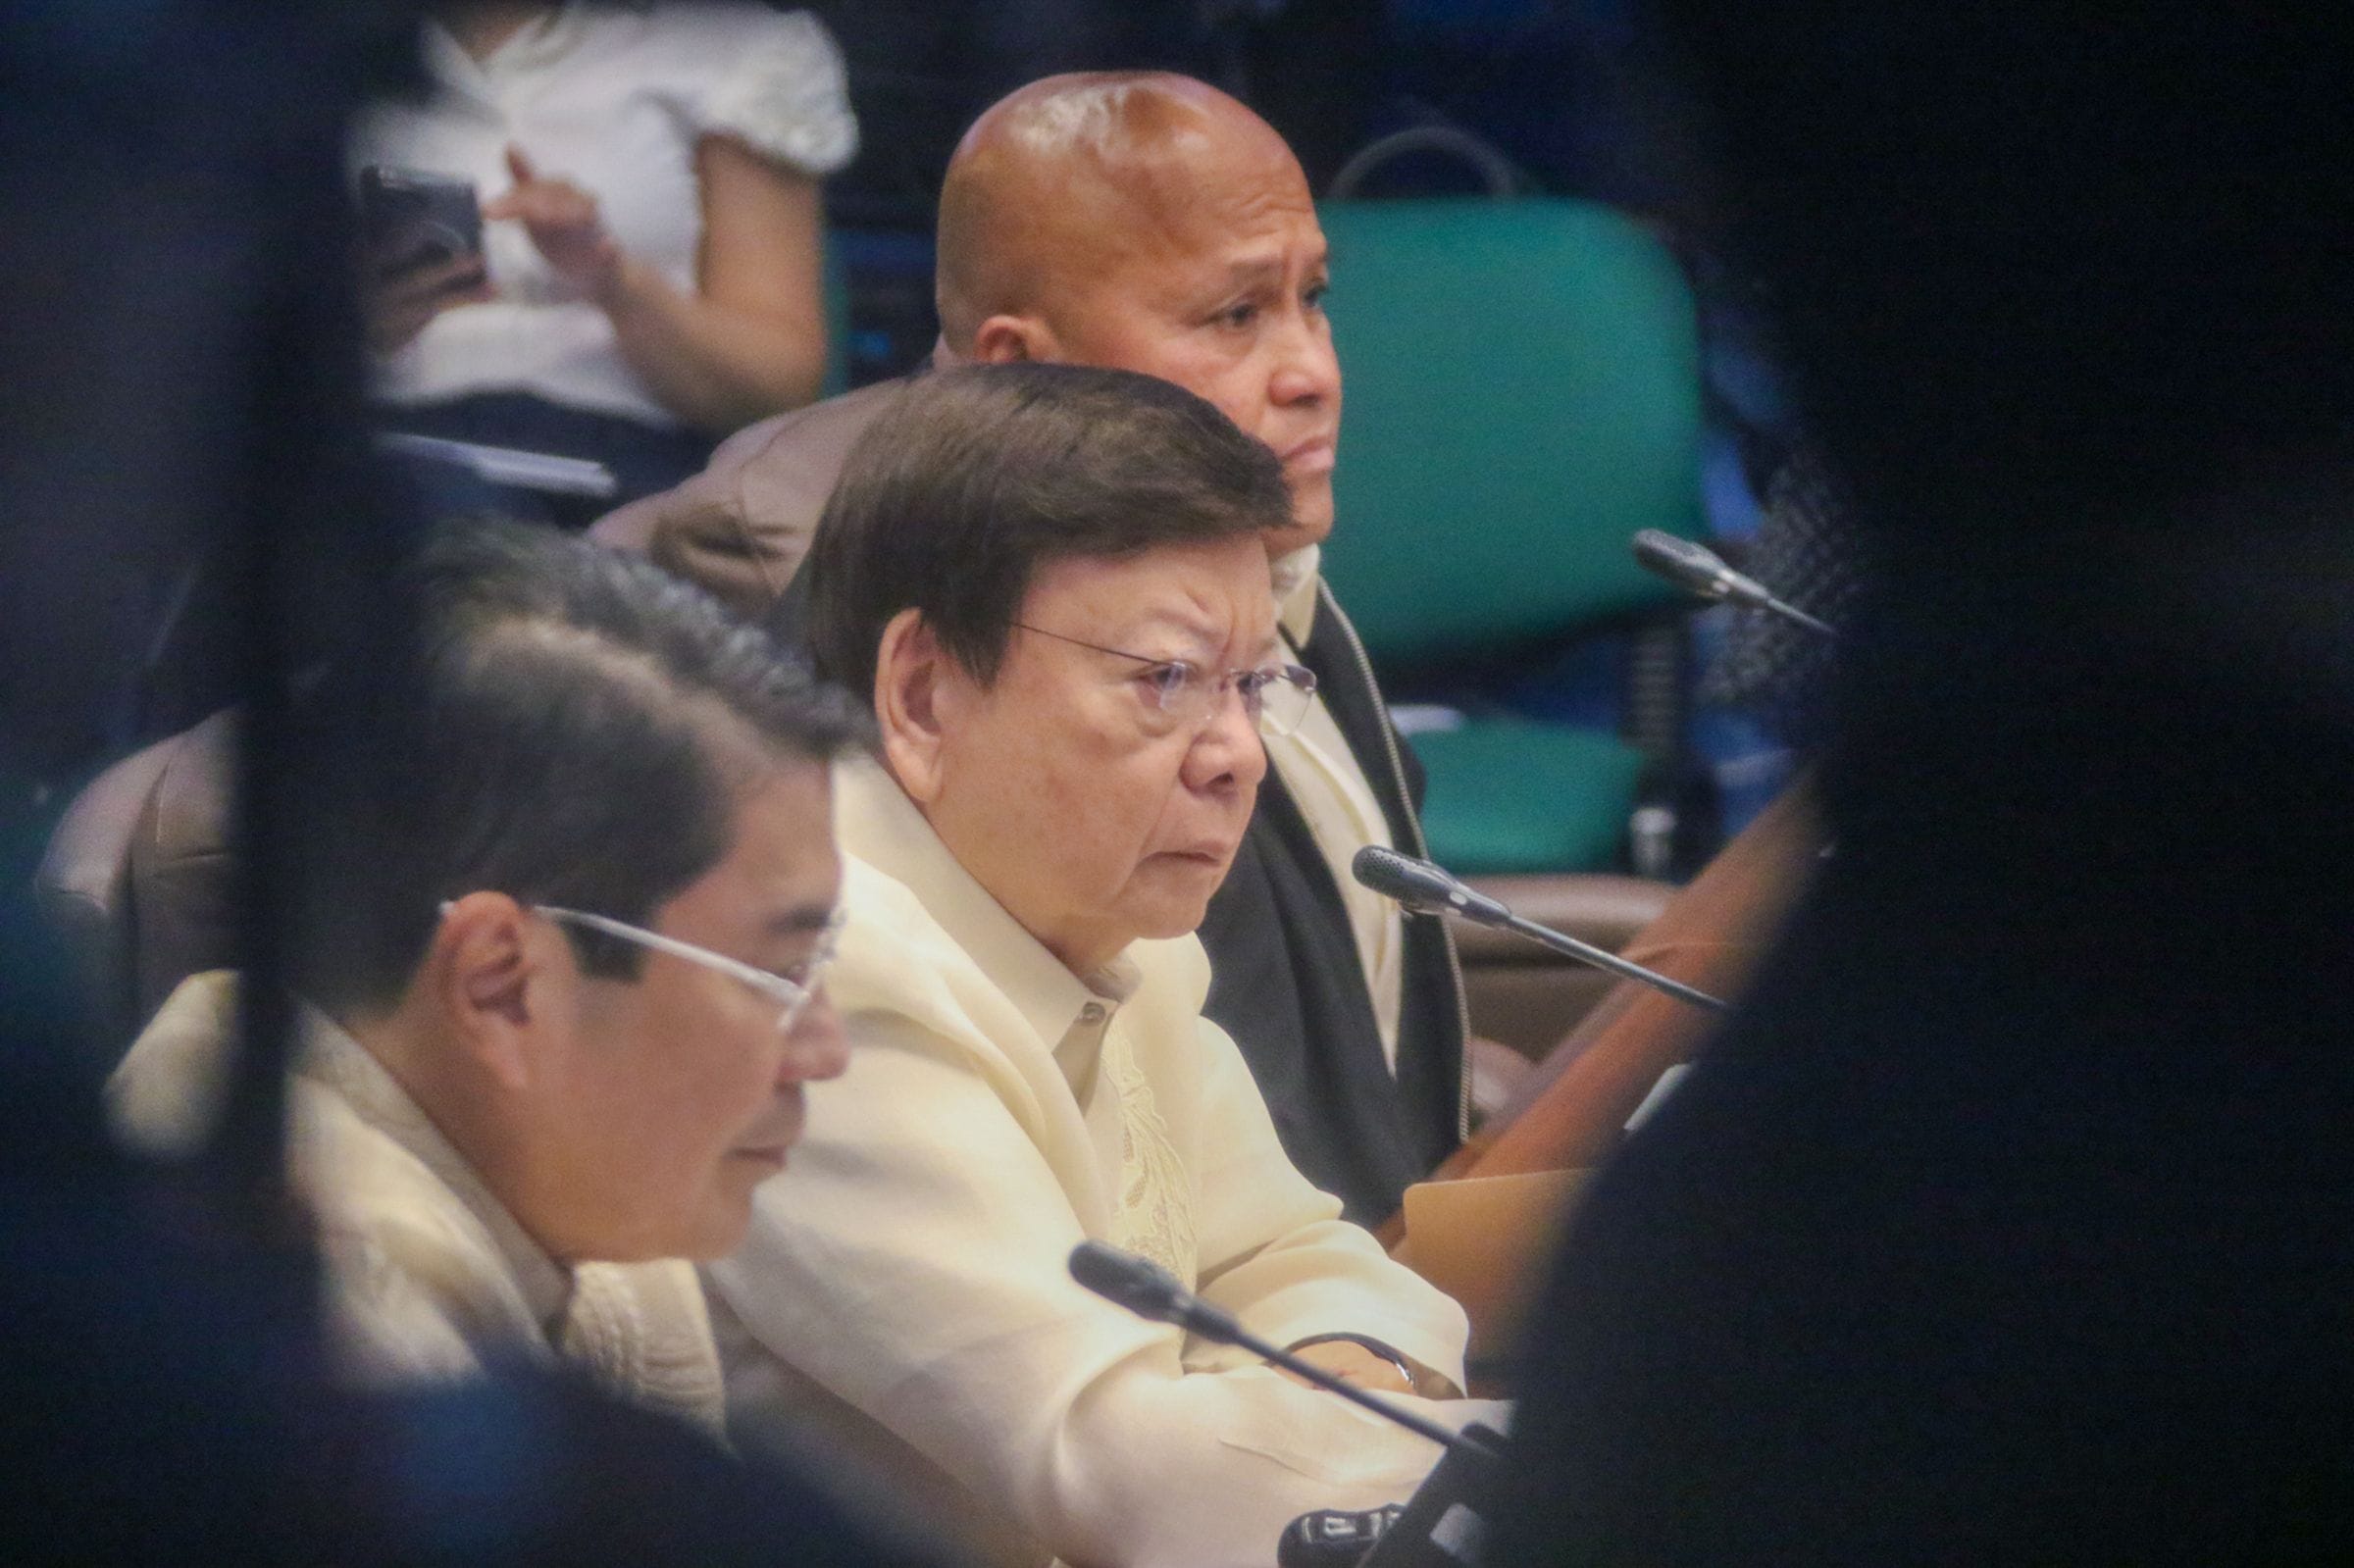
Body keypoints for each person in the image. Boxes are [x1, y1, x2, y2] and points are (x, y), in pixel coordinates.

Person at [598, 71, 1469, 1229]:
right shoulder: (923, 609)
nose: (1313, 369)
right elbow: (1189, 1288)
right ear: (1020, 371)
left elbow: (1295, 1223)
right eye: (1233, 316)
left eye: (1314, 298)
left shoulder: (1246, 557)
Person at [707, 364, 1500, 1568]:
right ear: (922, 695)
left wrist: (1351, 1373)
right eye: (1165, 680)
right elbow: (1116, 1468)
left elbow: (1299, 1255)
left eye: (1250, 685)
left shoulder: (1117, 937)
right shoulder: (816, 979)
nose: (1236, 755)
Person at [107, 523, 866, 1432]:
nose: (826, 1051)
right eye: (779, 974)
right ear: (501, 986)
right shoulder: (326, 1366)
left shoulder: (571, 1191)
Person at [356, 2, 857, 516]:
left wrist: (612, 280)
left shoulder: (732, 44)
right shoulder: (317, 45)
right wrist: (354, 325)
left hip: (625, 470)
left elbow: (778, 390)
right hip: (382, 442)